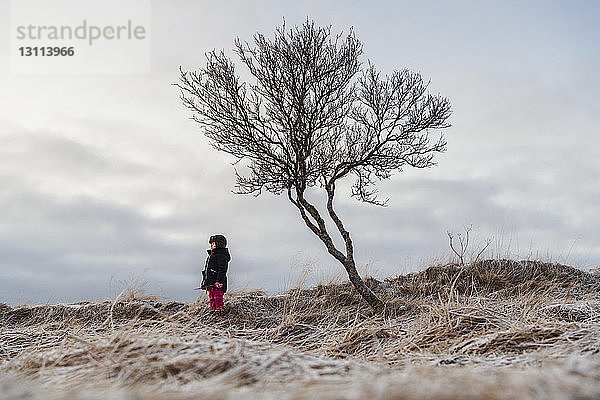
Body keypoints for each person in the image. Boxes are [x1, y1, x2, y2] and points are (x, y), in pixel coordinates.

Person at [200, 234, 230, 312]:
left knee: (217, 296)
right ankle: (212, 309)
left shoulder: (221, 256)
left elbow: (223, 270)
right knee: (211, 297)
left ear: (219, 244)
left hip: (218, 283)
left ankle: (219, 309)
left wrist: (219, 281)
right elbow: (207, 270)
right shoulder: (211, 256)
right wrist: (204, 283)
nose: (211, 245)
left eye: (213, 243)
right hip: (211, 283)